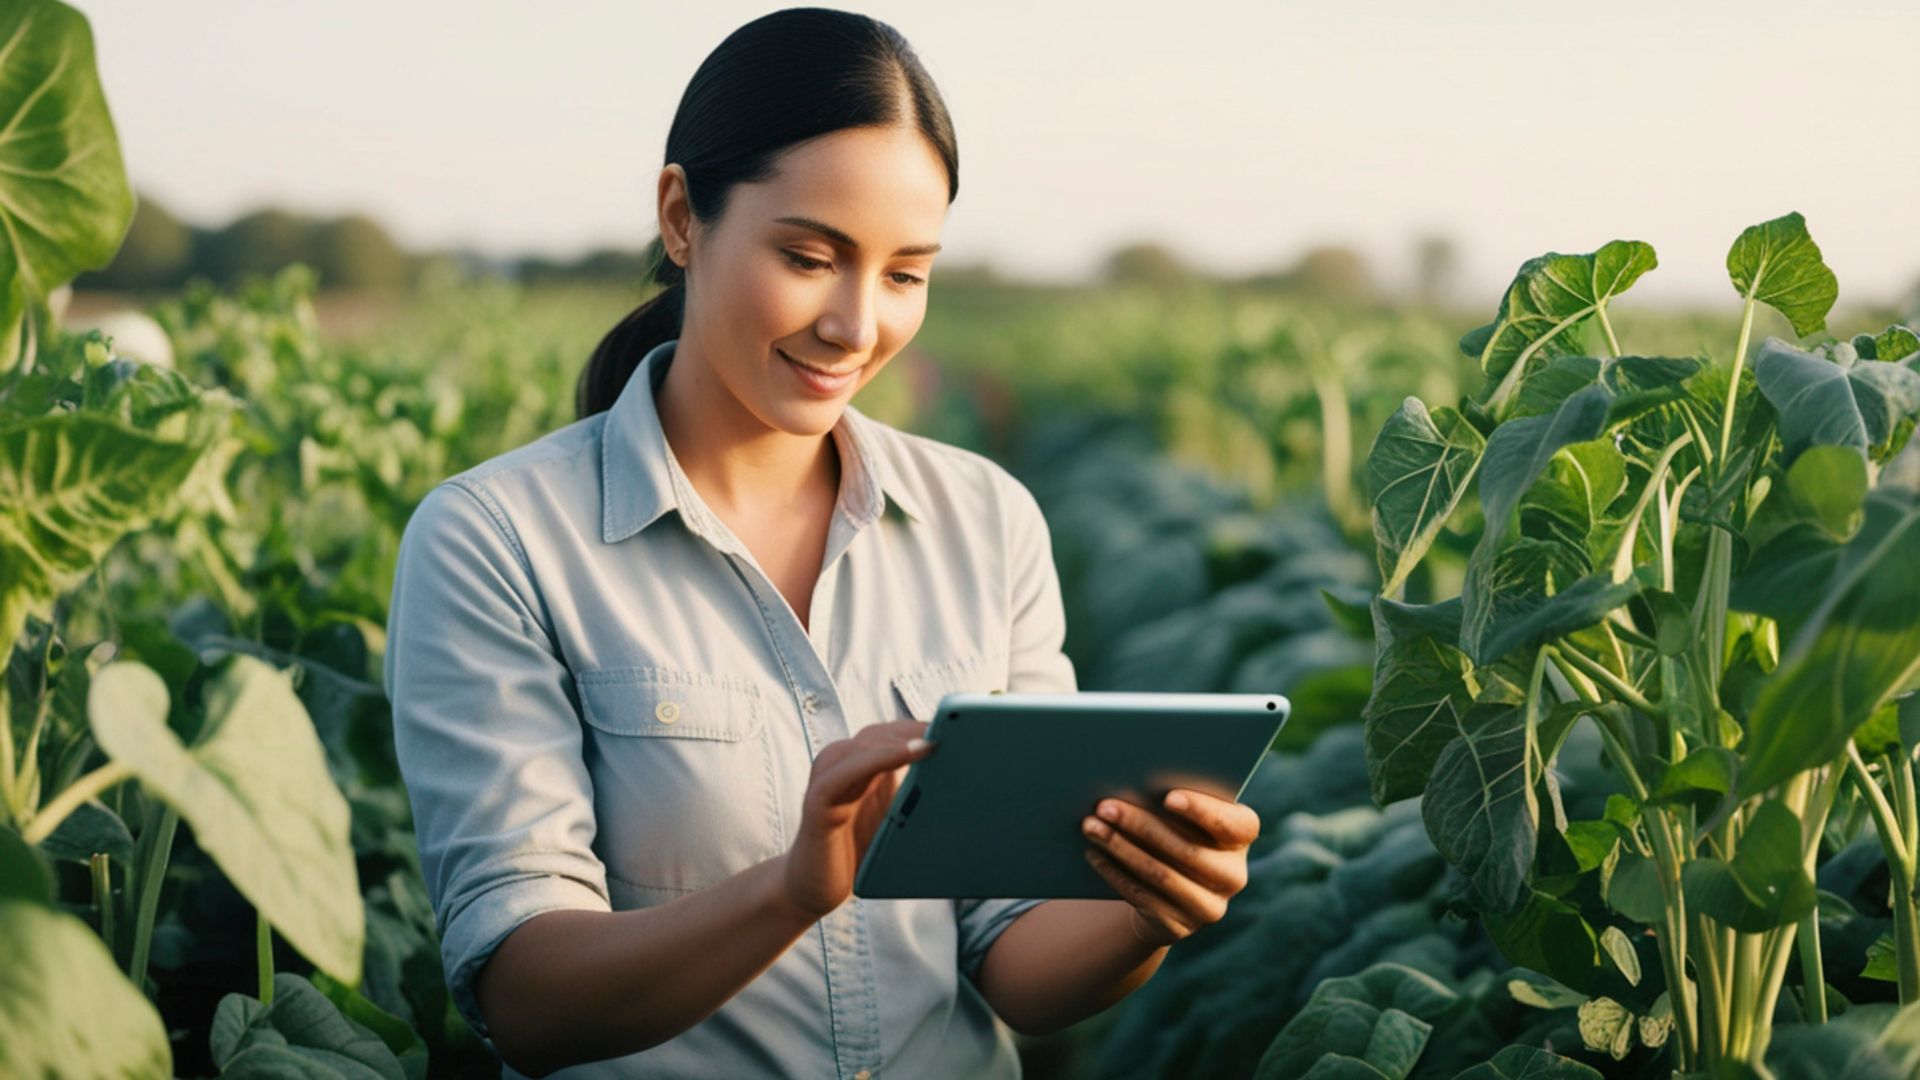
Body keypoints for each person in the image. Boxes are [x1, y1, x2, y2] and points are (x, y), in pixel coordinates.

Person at [385, 8, 1259, 1076]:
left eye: (905, 274)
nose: (857, 324)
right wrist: (789, 892)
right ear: (681, 217)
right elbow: (524, 994)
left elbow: (1013, 961)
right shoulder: (499, 542)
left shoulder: (987, 524)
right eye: (810, 256)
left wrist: (1145, 913)